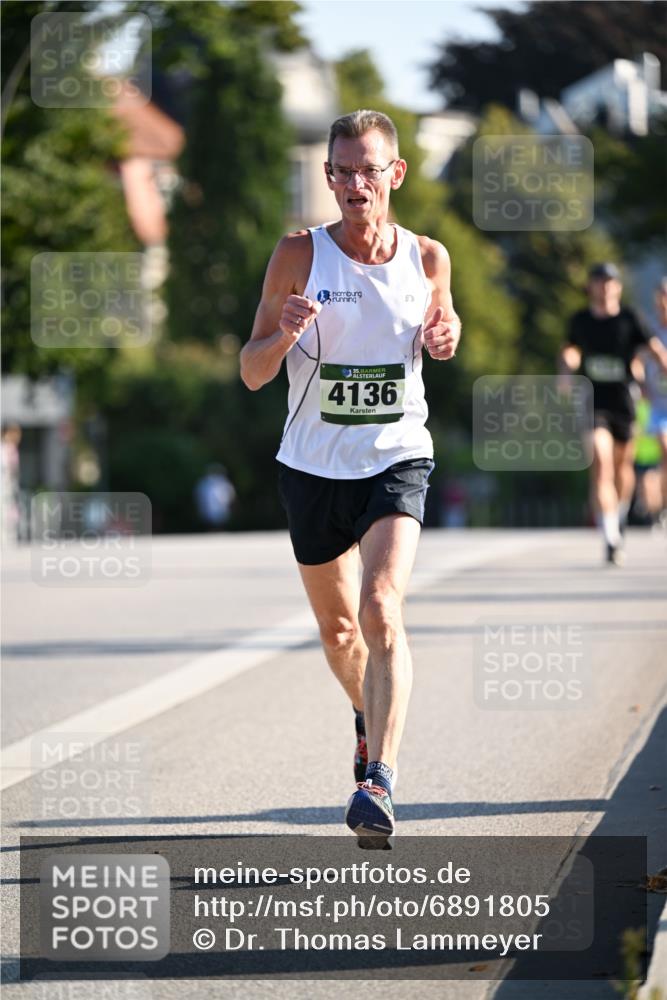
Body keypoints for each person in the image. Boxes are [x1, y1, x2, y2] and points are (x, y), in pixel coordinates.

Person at [240, 109, 461, 846]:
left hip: (396, 455)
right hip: (312, 466)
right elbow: (251, 372)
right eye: (341, 171)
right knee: (340, 634)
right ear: (328, 177)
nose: (354, 183)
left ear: (395, 174)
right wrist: (283, 335)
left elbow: (444, 329)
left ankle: (380, 781)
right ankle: (367, 717)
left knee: (380, 606)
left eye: (369, 169)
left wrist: (447, 335)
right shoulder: (298, 254)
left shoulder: (427, 257)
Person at [560, 263, 667, 565]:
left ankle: (618, 516)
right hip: (594, 401)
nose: (605, 287)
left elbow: (653, 347)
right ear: (591, 287)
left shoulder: (630, 318)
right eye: (599, 281)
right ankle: (609, 535)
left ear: (618, 287)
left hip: (624, 402)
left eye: (610, 282)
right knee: (601, 460)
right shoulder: (581, 320)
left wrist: (663, 363)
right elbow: (570, 349)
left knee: (622, 468)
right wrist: (566, 371)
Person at [642, 278, 667, 525]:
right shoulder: (649, 329)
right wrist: (641, 385)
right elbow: (638, 358)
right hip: (658, 406)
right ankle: (659, 507)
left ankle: (660, 502)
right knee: (664, 448)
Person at [194, 464, 236, 529]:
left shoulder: (224, 483)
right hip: (211, 511)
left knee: (219, 525)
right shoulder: (205, 483)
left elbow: (230, 496)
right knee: (213, 525)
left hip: (221, 510)